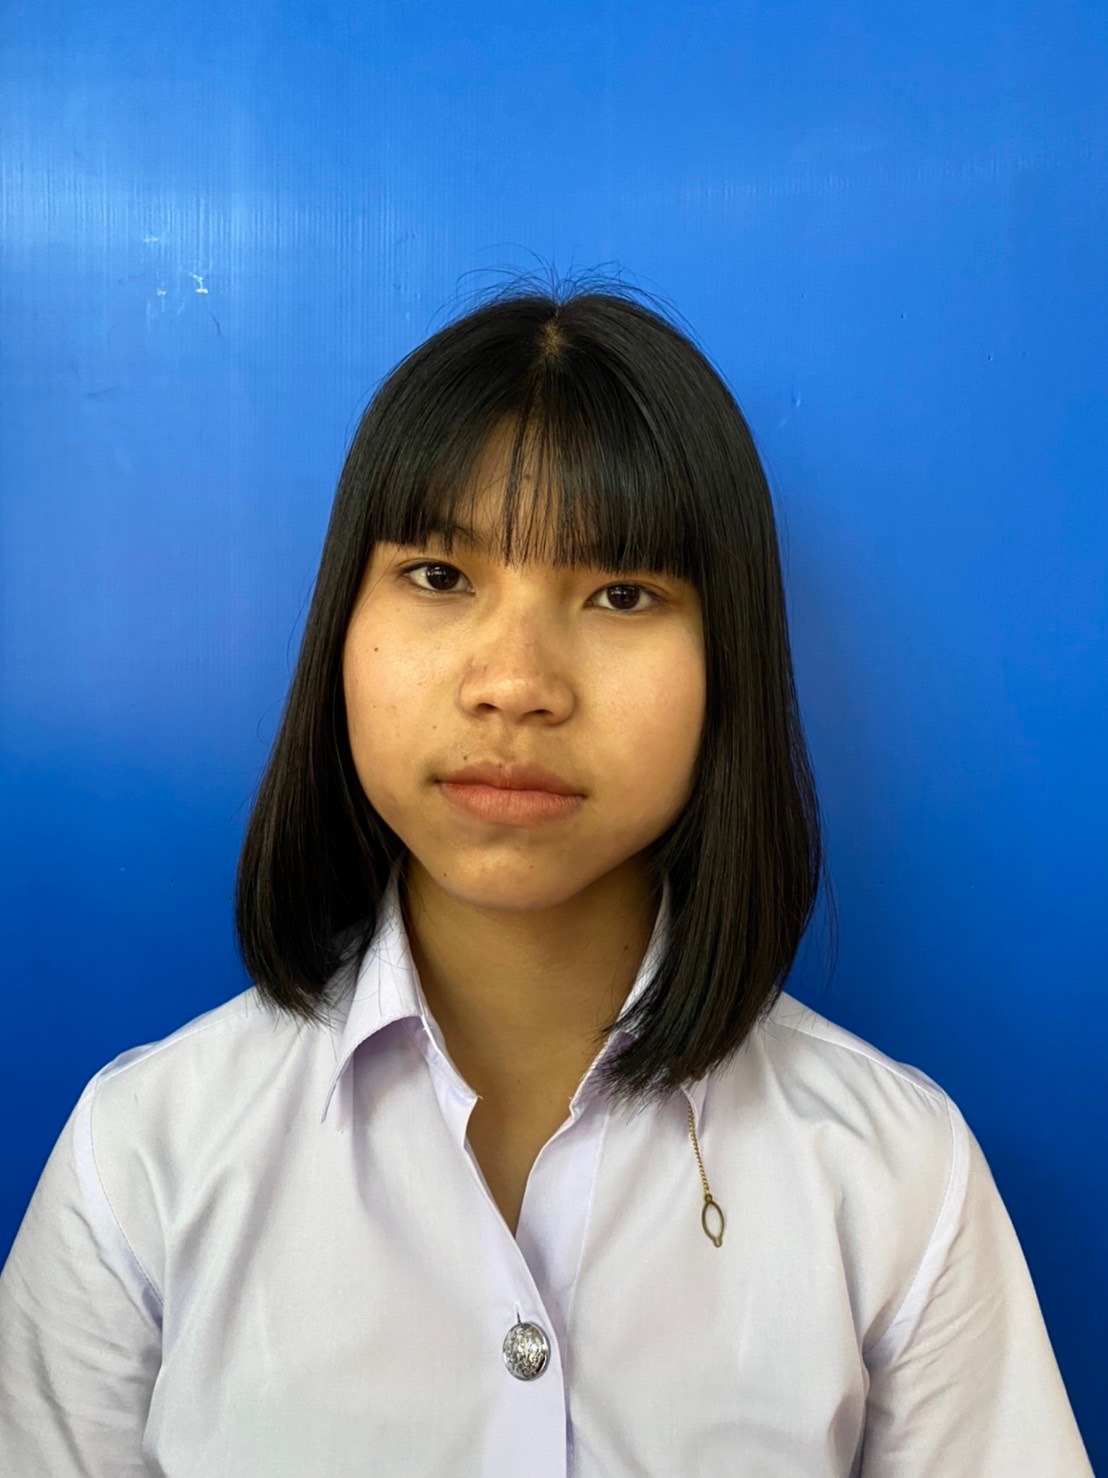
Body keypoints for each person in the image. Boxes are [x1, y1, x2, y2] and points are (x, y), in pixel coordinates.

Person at [0, 275, 1093, 1476]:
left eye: (621, 593)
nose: (514, 682)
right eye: (439, 575)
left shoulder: (893, 1177)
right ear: (340, 626)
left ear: (725, 660)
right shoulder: (142, 1160)